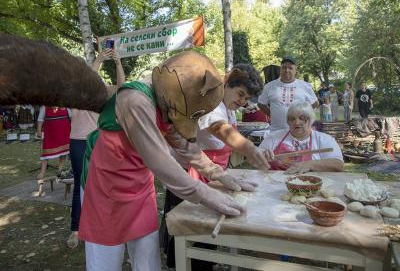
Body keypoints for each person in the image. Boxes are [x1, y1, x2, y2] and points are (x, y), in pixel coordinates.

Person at [78, 52, 260, 271]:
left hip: (140, 188)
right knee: (106, 262)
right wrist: (203, 193)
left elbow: (184, 145)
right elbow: (159, 160)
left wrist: (217, 173)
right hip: (106, 189)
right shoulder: (135, 100)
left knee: (147, 261)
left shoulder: (170, 99)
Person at [161, 63, 273, 269]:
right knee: (190, 228)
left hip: (215, 175)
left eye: (247, 99)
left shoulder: (229, 109)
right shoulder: (211, 105)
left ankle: (199, 263)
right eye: (240, 94)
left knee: (210, 227)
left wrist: (256, 151)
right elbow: (219, 130)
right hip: (191, 173)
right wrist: (249, 148)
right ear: (226, 84)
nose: (242, 101)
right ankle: (184, 264)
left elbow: (226, 143)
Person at [66, 48, 125, 249]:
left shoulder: (101, 90)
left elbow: (122, 88)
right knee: (79, 184)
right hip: (78, 141)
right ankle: (76, 229)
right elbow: (85, 83)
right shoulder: (73, 90)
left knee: (102, 184)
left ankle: (102, 223)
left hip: (98, 141)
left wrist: (117, 63)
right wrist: (99, 59)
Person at [259, 100, 344, 174]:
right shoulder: (275, 136)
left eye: (302, 118)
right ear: (288, 122)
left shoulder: (324, 139)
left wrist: (309, 164)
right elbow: (254, 156)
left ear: (310, 120)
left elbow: (338, 164)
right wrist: (262, 155)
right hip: (274, 183)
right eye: (292, 119)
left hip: (310, 185)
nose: (297, 122)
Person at [258, 56, 319, 132]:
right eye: (284, 67)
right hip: (276, 131)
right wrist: (272, 114)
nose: (287, 70)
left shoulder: (305, 86)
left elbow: (315, 103)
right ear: (280, 70)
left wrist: (302, 115)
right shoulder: (269, 86)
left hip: (299, 131)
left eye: (290, 68)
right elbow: (261, 103)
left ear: (295, 71)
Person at [35, 106, 71, 180]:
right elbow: (40, 119)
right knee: (46, 153)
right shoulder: (45, 106)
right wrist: (39, 130)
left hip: (64, 131)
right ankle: (42, 172)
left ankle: (60, 169)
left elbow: (71, 117)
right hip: (50, 133)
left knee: (63, 151)